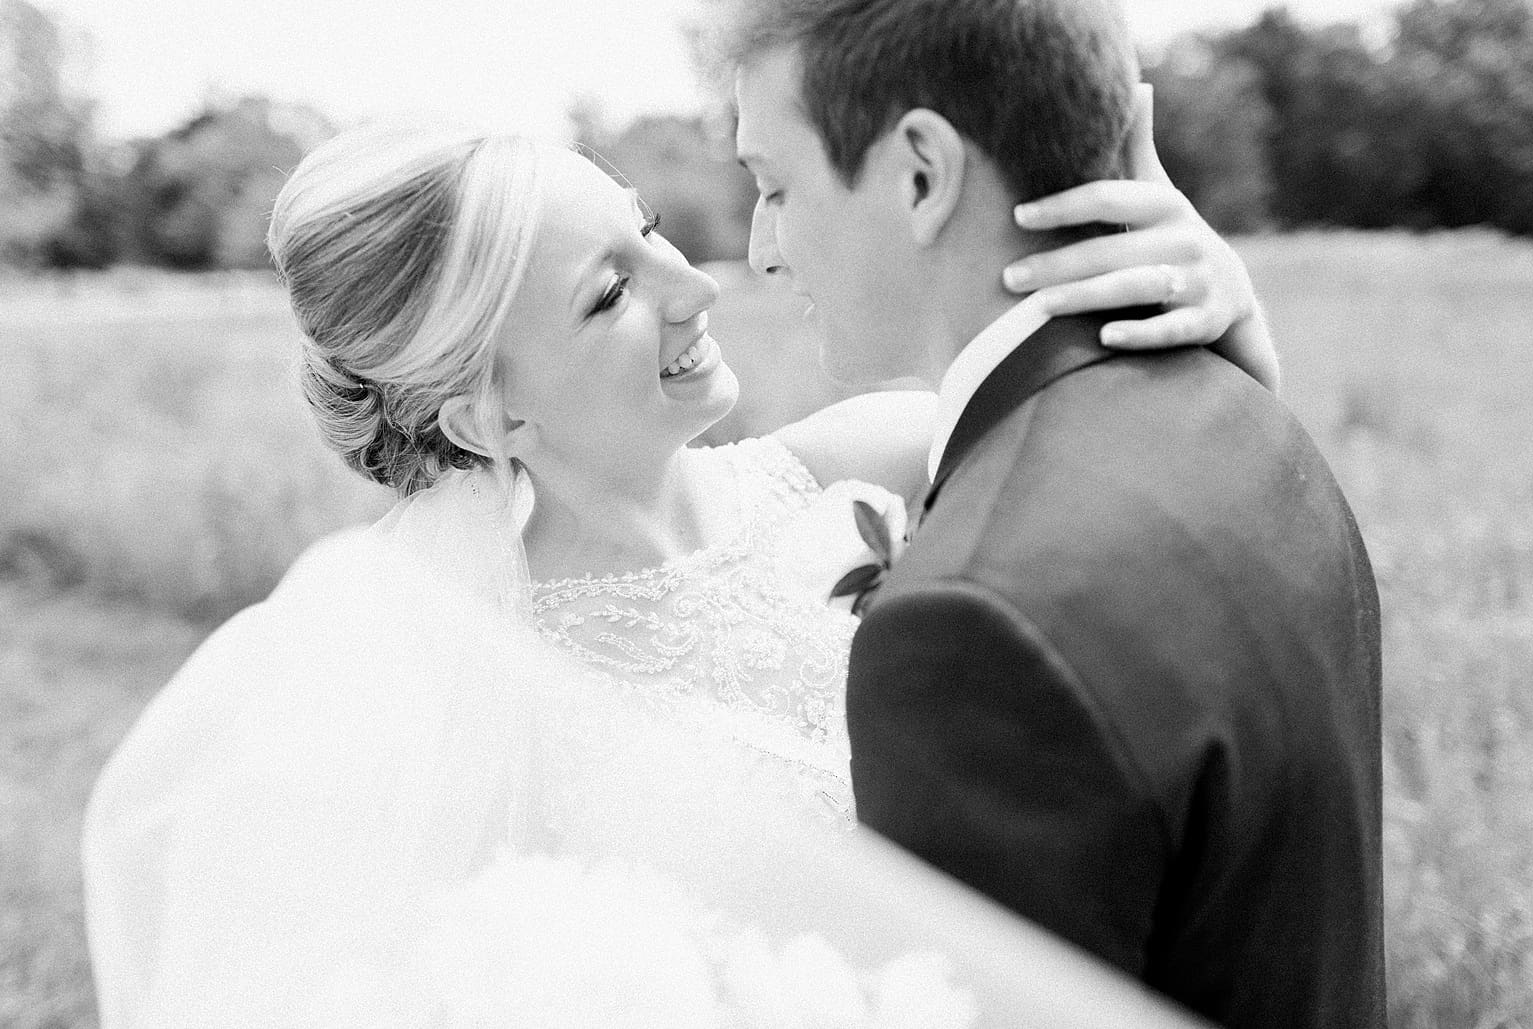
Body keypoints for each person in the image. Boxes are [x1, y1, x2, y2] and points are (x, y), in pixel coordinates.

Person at [82, 105, 1272, 1025]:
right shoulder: (472, 696)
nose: (696, 284)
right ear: (482, 418)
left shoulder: (875, 465)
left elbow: (1181, 488)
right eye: (609, 295)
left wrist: (1225, 299)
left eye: (644, 229)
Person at [726, 1, 1384, 1027]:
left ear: (919, 174)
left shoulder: (972, 626)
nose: (763, 250)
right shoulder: (1246, 408)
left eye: (775, 185)